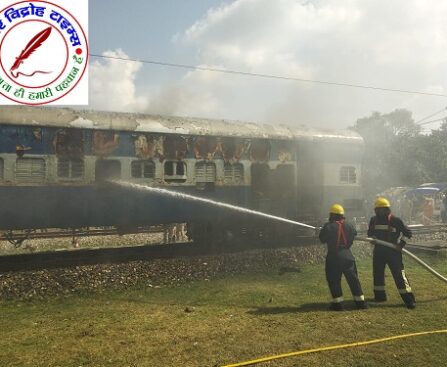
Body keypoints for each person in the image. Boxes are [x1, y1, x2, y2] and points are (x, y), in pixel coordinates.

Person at [367, 197, 416, 309]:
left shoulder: (395, 220)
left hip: (393, 252)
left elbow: (408, 234)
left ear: (387, 209)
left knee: (399, 275)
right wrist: (372, 237)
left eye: (382, 209)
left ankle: (409, 300)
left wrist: (401, 245)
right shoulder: (373, 220)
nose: (380, 211)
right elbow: (370, 233)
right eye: (378, 209)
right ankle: (380, 297)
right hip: (379, 252)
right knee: (378, 274)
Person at [319, 204, 367, 311]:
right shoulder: (349, 225)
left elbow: (322, 239)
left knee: (334, 280)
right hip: (348, 256)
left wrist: (322, 229)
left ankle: (338, 304)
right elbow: (354, 233)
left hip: (334, 257)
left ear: (332, 215)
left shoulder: (329, 226)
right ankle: (361, 303)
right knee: (353, 280)